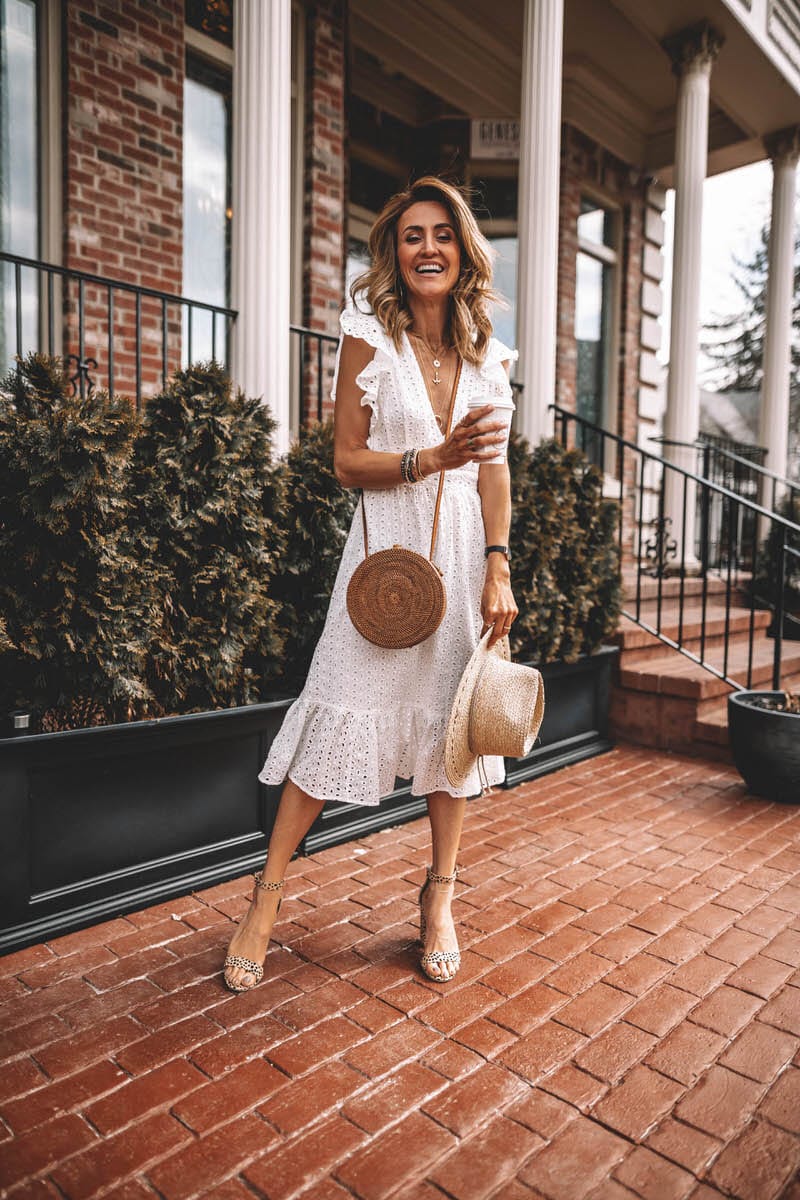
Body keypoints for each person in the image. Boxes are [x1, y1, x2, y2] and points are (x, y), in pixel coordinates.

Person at [223, 176, 518, 993]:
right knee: (336, 707)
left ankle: (440, 898)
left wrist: (499, 563)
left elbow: (494, 475)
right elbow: (345, 460)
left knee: (452, 735)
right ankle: (266, 896)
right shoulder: (370, 337)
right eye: (413, 235)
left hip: (461, 558)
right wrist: (430, 458)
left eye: (443, 235)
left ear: (463, 253)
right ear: (395, 250)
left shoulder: (489, 355)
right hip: (382, 560)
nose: (428, 248)